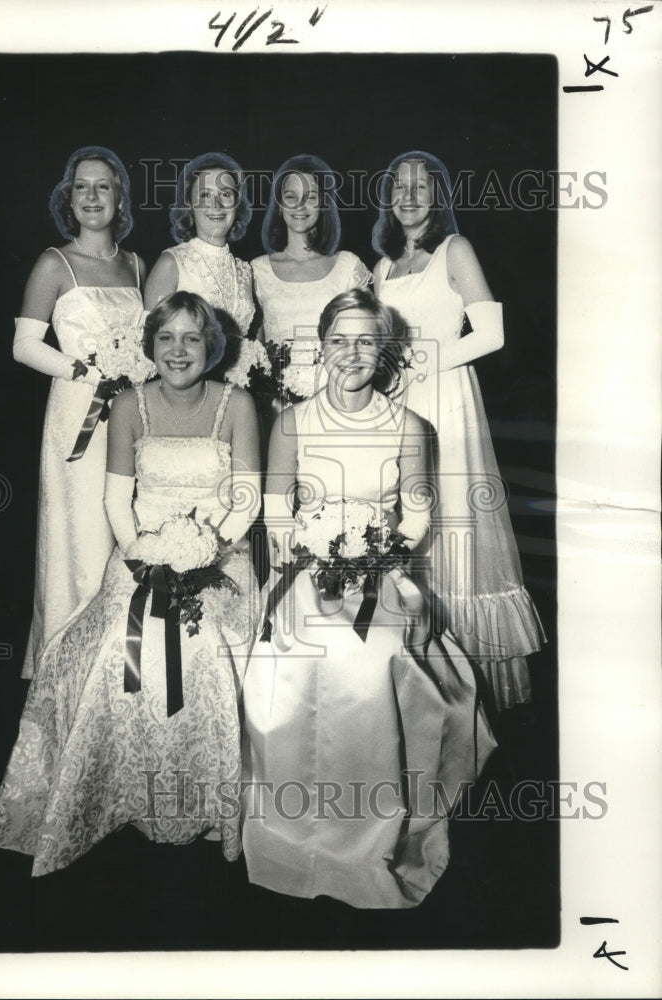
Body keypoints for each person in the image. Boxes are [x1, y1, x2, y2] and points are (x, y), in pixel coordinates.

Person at [0, 292, 261, 875]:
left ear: (212, 347)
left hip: (221, 557)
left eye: (193, 339)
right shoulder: (128, 404)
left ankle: (207, 802)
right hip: (141, 555)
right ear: (151, 345)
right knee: (108, 654)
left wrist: (204, 550)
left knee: (211, 653)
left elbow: (246, 498)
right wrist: (145, 553)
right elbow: (114, 499)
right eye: (167, 338)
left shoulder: (239, 404)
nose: (179, 351)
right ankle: (120, 790)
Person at [242, 288, 496, 909]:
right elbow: (276, 515)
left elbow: (416, 517)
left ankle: (368, 833)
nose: (351, 353)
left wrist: (373, 555)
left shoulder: (410, 426)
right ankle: (291, 830)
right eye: (339, 341)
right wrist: (314, 553)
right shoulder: (293, 421)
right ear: (321, 347)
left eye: (365, 341)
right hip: (309, 571)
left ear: (382, 349)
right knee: (285, 669)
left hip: (380, 576)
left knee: (368, 665)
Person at [372, 150, 545, 711]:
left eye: (422, 185)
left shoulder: (455, 249)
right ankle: (426, 690)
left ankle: (480, 692)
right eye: (400, 185)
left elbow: (489, 332)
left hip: (446, 400)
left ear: (437, 195)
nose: (410, 194)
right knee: (412, 526)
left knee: (455, 523)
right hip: (400, 407)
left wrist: (423, 361)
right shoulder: (383, 267)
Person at [15, 145, 151, 679]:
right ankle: (68, 668)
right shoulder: (55, 262)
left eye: (104, 186)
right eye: (82, 186)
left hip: (130, 416)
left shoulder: (137, 264)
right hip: (78, 418)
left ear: (120, 199)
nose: (92, 196)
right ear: (68, 200)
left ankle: (121, 667)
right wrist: (89, 371)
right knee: (82, 536)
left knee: (127, 525)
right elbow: (25, 345)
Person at [251, 154, 372, 402]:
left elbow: (369, 341)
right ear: (280, 205)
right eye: (291, 197)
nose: (300, 206)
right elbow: (255, 351)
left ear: (323, 204)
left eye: (311, 197)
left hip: (339, 399)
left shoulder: (348, 266)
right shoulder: (257, 270)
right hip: (278, 405)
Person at [143, 152, 255, 349]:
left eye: (226, 194)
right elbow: (150, 345)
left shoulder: (245, 271)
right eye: (205, 195)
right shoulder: (171, 263)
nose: (216, 205)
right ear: (190, 206)